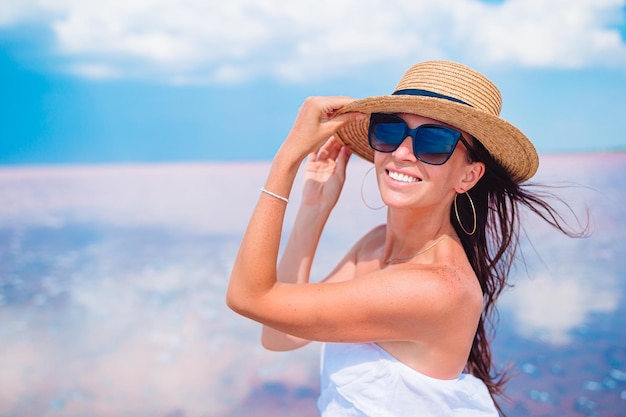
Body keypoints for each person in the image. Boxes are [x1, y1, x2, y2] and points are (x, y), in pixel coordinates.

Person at [226, 60, 584, 416]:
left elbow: (248, 297)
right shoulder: (374, 245)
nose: (401, 153)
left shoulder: (437, 287)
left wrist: (287, 158)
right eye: (390, 131)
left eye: (434, 142)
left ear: (469, 176)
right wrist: (314, 209)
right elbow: (279, 336)